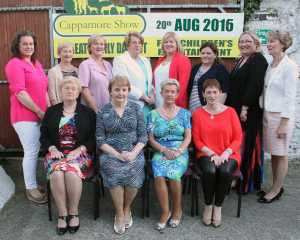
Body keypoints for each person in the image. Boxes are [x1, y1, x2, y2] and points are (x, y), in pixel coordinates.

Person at [40, 76, 96, 235]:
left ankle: (74, 213)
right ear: (61, 91)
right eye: (66, 88)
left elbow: (94, 138)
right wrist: (52, 148)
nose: (70, 91)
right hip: (56, 154)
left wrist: (80, 150)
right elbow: (43, 136)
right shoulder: (51, 112)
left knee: (71, 173)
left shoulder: (88, 113)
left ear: (78, 92)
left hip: (80, 154)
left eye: (73, 88)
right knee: (57, 173)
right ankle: (62, 214)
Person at [96, 75, 148, 235]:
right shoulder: (103, 111)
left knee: (135, 170)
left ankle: (127, 208)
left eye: (124, 90)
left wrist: (133, 153)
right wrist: (118, 155)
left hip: (134, 151)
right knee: (113, 170)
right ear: (110, 92)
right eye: (117, 90)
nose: (120, 93)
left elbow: (143, 136)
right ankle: (119, 212)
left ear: (128, 91)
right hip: (111, 153)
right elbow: (100, 140)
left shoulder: (136, 109)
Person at [5, 30, 49, 204]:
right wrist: (39, 111)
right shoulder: (14, 64)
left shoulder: (36, 64)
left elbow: (43, 90)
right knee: (31, 152)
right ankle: (30, 189)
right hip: (24, 117)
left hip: (41, 116)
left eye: (31, 44)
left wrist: (49, 111)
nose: (29, 46)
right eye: (25, 44)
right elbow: (20, 93)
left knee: (35, 151)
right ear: (18, 46)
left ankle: (34, 184)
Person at [192, 79, 242, 227]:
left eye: (215, 92)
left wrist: (226, 153)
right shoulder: (198, 113)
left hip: (229, 153)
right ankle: (208, 205)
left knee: (226, 171)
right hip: (206, 153)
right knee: (210, 171)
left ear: (220, 93)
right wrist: (212, 154)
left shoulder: (231, 112)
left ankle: (218, 207)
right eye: (209, 92)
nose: (212, 95)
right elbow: (197, 139)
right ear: (203, 94)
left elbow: (238, 137)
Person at [258, 31, 298, 203]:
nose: (269, 44)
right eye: (268, 41)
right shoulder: (271, 63)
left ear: (282, 44)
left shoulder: (289, 66)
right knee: (274, 153)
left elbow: (290, 97)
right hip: (268, 114)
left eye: (272, 41)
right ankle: (275, 186)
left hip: (281, 117)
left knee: (280, 154)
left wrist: (284, 122)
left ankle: (276, 190)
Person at [226, 31, 268, 193]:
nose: (244, 44)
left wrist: (245, 107)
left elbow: (255, 85)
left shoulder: (258, 59)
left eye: (247, 41)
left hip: (248, 111)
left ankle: (245, 182)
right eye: (241, 41)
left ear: (256, 43)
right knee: (239, 145)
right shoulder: (242, 59)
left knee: (247, 145)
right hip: (237, 110)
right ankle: (236, 178)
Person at [147, 79, 191, 232]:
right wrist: (163, 150)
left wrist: (178, 151)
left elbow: (188, 137)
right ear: (161, 93)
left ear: (177, 94)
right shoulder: (152, 114)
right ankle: (165, 211)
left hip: (180, 150)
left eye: (173, 91)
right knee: (158, 174)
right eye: (167, 91)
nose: (170, 94)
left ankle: (177, 209)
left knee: (173, 174)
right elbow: (151, 138)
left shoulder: (185, 114)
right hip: (161, 149)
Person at [112, 32, 154, 117]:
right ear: (127, 45)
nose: (138, 45)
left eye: (139, 43)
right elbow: (123, 84)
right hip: (131, 105)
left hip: (148, 106)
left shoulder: (145, 61)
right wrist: (143, 97)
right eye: (134, 42)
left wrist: (152, 95)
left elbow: (148, 83)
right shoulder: (120, 60)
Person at [187, 42, 229, 113]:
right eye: (203, 53)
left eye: (208, 53)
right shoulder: (196, 68)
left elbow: (224, 92)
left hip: (209, 109)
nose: (205, 55)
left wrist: (215, 110)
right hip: (192, 108)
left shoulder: (220, 69)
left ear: (215, 55)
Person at [153, 32, 191, 108]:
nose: (168, 44)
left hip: (173, 105)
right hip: (157, 104)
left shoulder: (183, 60)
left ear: (177, 44)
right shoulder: (160, 61)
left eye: (171, 42)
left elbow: (182, 87)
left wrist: (172, 105)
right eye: (166, 42)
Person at [79, 35, 112, 112]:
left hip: (108, 109)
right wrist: (95, 110)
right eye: (95, 44)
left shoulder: (108, 65)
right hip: (92, 110)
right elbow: (84, 89)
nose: (99, 46)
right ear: (90, 47)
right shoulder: (85, 64)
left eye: (101, 44)